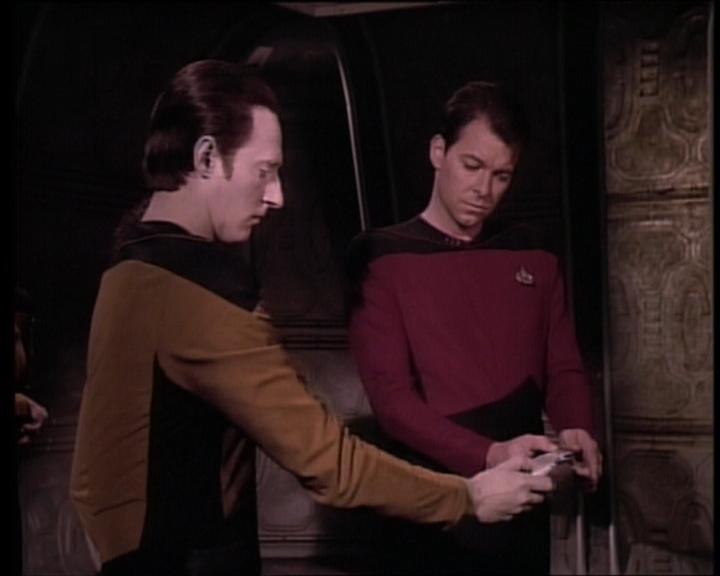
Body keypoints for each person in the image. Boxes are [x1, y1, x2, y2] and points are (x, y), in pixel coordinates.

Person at [69, 60, 554, 576]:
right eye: (265, 171)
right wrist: (467, 498)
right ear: (207, 157)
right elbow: (330, 463)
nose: (277, 196)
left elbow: (93, 479)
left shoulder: (131, 264)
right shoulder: (197, 295)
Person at [346, 81, 602, 574]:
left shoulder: (534, 251)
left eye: (501, 175)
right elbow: (392, 402)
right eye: (472, 166)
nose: (484, 191)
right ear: (438, 152)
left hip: (521, 493)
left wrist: (576, 426)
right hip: (429, 495)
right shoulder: (381, 255)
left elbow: (562, 365)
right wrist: (487, 454)